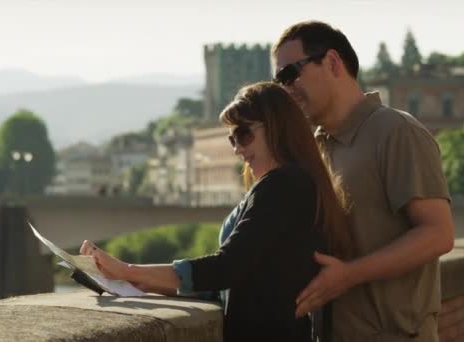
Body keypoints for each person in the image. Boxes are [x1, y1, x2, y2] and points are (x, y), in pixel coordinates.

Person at [80, 82, 353, 342]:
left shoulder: (281, 185)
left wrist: (128, 271)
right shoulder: (300, 183)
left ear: (276, 128)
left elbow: (226, 268)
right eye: (232, 139)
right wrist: (148, 282)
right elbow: (240, 279)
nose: (237, 150)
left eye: (244, 135)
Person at [272, 21, 455, 341]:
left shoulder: (397, 132)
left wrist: (347, 276)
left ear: (332, 62)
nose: (286, 89)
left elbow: (438, 234)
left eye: (290, 74)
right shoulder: (315, 147)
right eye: (279, 81)